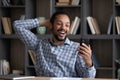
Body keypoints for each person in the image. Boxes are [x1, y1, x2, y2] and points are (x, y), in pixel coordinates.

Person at [13, 11, 96, 77]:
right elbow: (17, 26)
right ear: (51, 25)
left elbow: (89, 78)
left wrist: (89, 63)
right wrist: (43, 22)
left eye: (67, 25)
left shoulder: (77, 48)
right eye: (59, 24)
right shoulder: (39, 45)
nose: (63, 28)